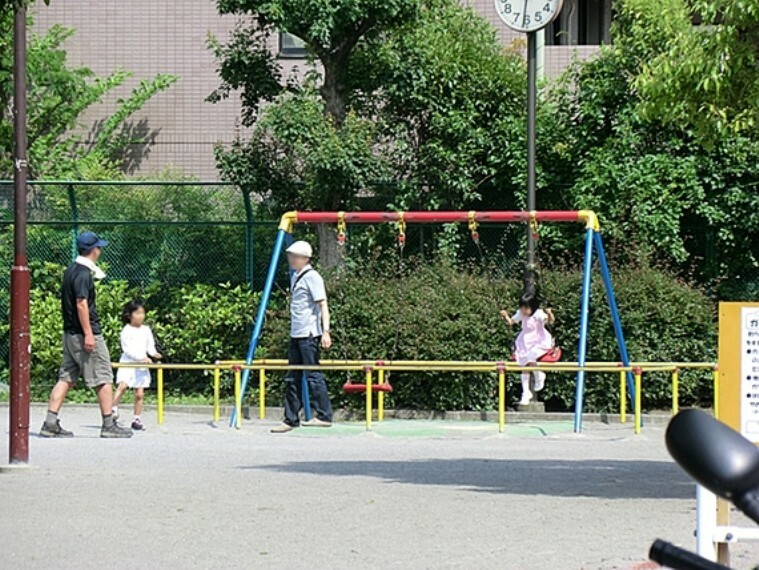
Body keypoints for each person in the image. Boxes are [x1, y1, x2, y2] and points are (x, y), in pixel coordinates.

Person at [40, 231, 133, 438]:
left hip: (70, 335)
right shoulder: (82, 274)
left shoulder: (71, 270)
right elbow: (81, 303)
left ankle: (50, 422)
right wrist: (89, 334)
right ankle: (108, 424)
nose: (100, 250)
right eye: (99, 247)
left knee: (66, 377)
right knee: (103, 377)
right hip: (84, 334)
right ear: (93, 250)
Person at [271, 240, 333, 433]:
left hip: (308, 334)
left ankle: (324, 415)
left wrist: (326, 331)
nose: (291, 259)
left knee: (312, 374)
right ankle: (290, 419)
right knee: (292, 377)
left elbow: (323, 304)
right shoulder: (296, 276)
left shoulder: (312, 277)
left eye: (294, 256)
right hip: (296, 334)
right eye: (290, 255)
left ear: (304, 258)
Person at [112, 299, 162, 431]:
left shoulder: (146, 330)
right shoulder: (126, 330)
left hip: (141, 365)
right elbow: (126, 349)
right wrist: (140, 357)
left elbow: (150, 346)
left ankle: (136, 418)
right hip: (128, 363)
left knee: (139, 393)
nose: (141, 316)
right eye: (138, 313)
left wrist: (154, 353)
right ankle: (113, 410)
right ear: (130, 315)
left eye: (143, 313)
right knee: (122, 386)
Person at [500, 293, 555, 406]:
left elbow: (550, 321)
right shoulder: (521, 314)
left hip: (540, 340)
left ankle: (539, 375)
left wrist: (549, 313)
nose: (523, 310)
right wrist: (505, 316)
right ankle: (526, 393)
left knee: (531, 356)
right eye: (522, 307)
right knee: (524, 365)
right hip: (526, 341)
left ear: (533, 306)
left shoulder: (538, 314)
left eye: (526, 308)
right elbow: (511, 322)